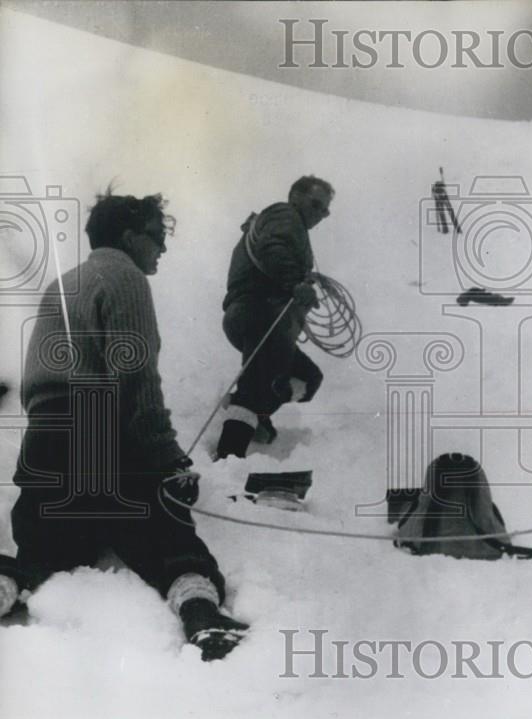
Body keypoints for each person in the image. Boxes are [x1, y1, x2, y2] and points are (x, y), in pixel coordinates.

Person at [0, 192, 247, 660]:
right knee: (168, 536)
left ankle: (6, 587)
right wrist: (168, 460)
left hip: (45, 439)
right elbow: (134, 379)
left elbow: (37, 384)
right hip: (100, 426)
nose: (163, 248)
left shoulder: (63, 284)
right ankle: (202, 615)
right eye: (157, 236)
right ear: (130, 237)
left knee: (44, 553)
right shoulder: (125, 276)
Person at [215, 176, 333, 459]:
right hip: (260, 313)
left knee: (308, 378)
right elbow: (273, 248)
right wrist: (296, 283)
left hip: (258, 318)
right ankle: (227, 457)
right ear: (295, 197)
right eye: (315, 205)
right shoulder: (286, 215)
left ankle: (255, 413)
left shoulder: (282, 222)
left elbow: (274, 249)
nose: (320, 214)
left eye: (325, 210)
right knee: (256, 385)